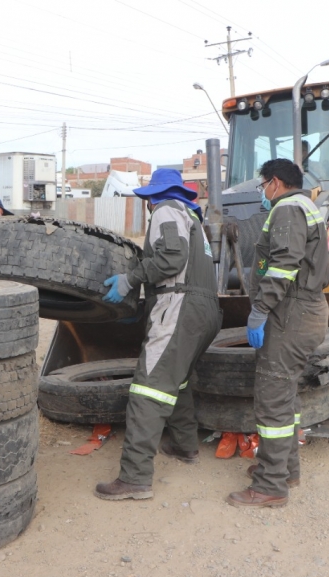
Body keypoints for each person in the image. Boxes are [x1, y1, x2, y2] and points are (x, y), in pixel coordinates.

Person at [94, 168, 221, 501]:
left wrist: (130, 279)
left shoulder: (166, 210)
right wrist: (140, 310)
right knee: (177, 382)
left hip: (180, 306)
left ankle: (135, 477)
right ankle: (184, 446)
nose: (148, 204)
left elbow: (171, 258)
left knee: (148, 389)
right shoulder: (193, 220)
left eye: (148, 198)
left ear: (154, 196)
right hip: (204, 311)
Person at [227, 158, 329, 508]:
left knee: (272, 398)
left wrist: (259, 310)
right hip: (305, 310)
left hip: (292, 313)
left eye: (263, 186)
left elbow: (284, 267)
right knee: (285, 393)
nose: (263, 193)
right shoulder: (306, 205)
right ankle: (286, 469)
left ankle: (270, 486)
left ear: (274, 182)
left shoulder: (287, 209)